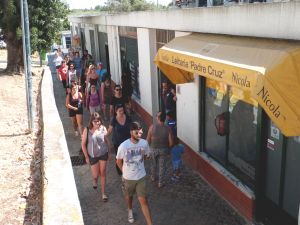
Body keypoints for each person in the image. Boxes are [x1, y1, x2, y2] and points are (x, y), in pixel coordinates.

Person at [116, 121, 152, 225]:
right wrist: (124, 172)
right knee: (129, 195)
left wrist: (140, 166)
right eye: (136, 133)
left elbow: (144, 156)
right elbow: (118, 161)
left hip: (141, 176)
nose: (139, 135)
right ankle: (130, 210)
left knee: (143, 200)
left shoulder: (144, 143)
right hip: (128, 178)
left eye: (140, 132)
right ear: (131, 132)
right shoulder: (123, 146)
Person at [81, 112, 113, 201]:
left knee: (103, 172)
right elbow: (83, 144)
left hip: (103, 153)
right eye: (95, 121)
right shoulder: (86, 130)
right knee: (96, 175)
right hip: (92, 155)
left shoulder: (103, 129)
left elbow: (107, 142)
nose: (97, 123)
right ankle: (95, 180)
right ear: (91, 122)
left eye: (98, 121)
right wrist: (86, 156)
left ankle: (103, 193)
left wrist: (110, 154)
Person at [146, 111, 173, 188]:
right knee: (162, 166)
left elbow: (147, 140)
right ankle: (160, 182)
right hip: (163, 149)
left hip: (153, 149)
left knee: (153, 163)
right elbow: (171, 143)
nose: (156, 116)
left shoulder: (152, 127)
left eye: (157, 115)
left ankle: (153, 177)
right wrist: (167, 147)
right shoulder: (168, 129)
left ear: (159, 117)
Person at [106, 104, 132, 175]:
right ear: (116, 111)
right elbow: (110, 130)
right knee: (119, 157)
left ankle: (128, 169)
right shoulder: (114, 120)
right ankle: (120, 171)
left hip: (128, 142)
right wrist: (105, 137)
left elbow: (132, 127)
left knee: (128, 156)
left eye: (122, 111)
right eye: (119, 111)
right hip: (118, 142)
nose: (121, 112)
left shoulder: (127, 117)